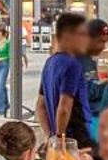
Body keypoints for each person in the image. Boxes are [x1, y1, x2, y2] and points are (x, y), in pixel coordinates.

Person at [39, 12, 93, 146]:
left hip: (58, 139)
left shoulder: (49, 63)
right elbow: (64, 107)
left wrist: (49, 136)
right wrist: (60, 138)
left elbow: (40, 106)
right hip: (75, 139)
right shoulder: (72, 65)